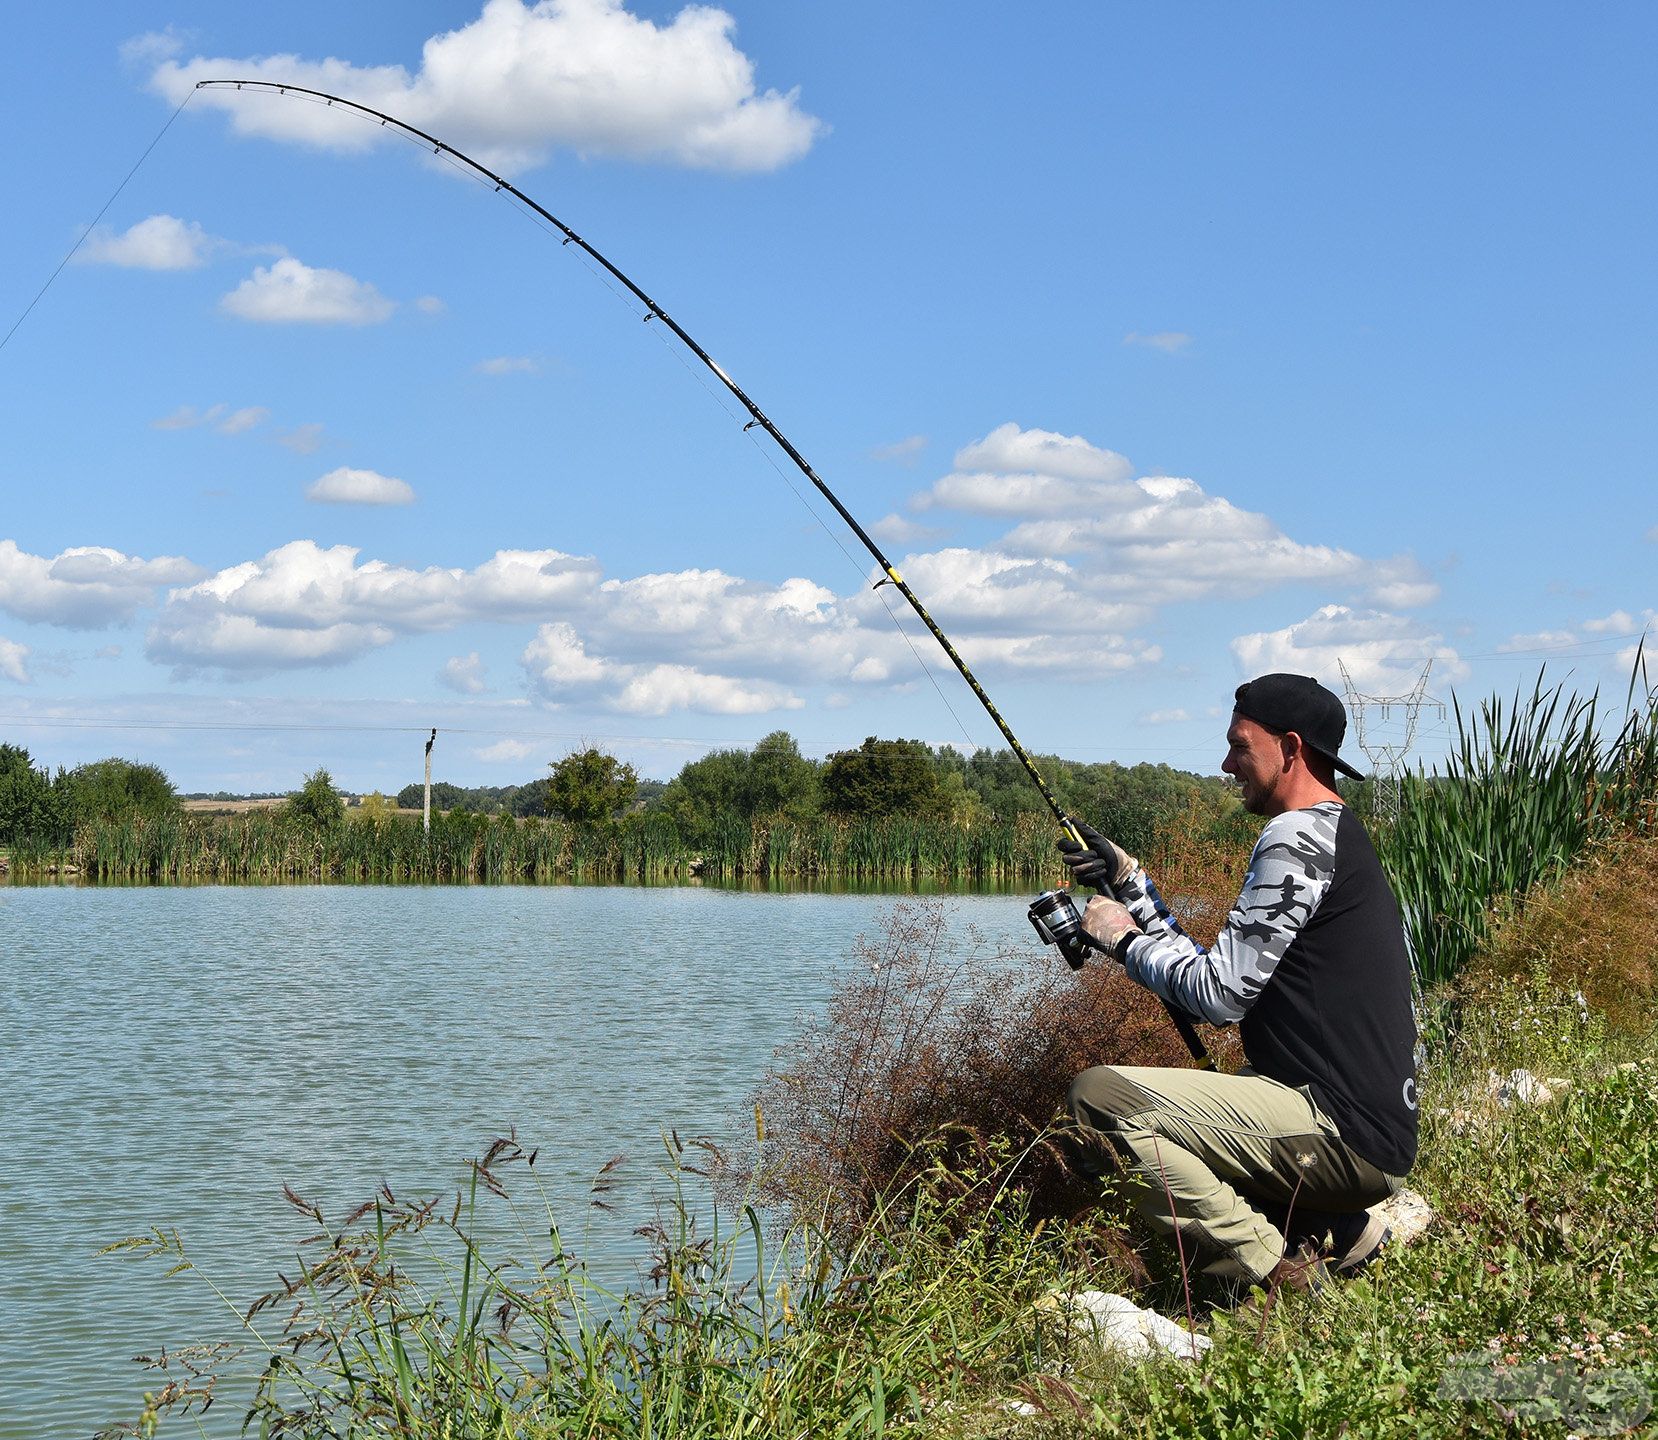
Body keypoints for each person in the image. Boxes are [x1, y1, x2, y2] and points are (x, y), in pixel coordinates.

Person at [1063, 672, 1418, 1291]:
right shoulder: (1332, 834)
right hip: (1362, 1126)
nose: (1227, 763)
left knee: (1100, 1099)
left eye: (1239, 745)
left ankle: (1267, 1269)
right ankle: (1331, 1226)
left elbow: (1217, 998)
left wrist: (1119, 939)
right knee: (1226, 1090)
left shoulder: (1295, 839)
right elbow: (1217, 970)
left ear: (1290, 748)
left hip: (1342, 1132)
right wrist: (1130, 882)